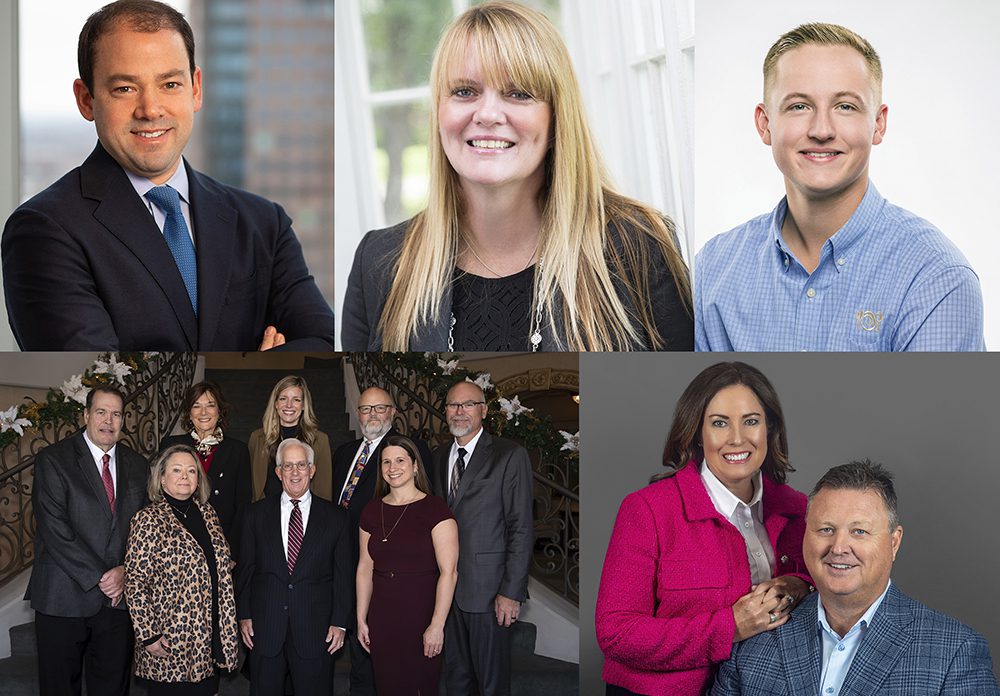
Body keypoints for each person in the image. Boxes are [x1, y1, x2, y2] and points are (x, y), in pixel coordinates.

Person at [342, 0, 692, 352]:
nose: (489, 114)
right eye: (465, 91)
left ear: (557, 118)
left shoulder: (638, 243)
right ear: (438, 112)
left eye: (519, 93)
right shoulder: (379, 262)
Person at [1, 0, 333, 351]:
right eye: (124, 88)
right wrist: (255, 370)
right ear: (86, 99)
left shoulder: (264, 223)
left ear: (196, 88)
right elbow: (95, 383)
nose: (151, 109)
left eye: (170, 84)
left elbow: (324, 343)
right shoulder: (44, 231)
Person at [695, 22, 985, 352]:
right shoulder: (713, 271)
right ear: (765, 124)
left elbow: (938, 406)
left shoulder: (936, 278)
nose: (821, 129)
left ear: (878, 123)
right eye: (799, 106)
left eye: (845, 106)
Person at [595, 362, 812, 695]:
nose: (737, 438)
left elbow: (823, 579)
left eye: (751, 421)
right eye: (719, 423)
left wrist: (797, 584)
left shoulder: (796, 507)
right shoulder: (648, 510)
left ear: (770, 428)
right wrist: (731, 628)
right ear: (697, 432)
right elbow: (617, 633)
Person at [712, 460, 1000, 695]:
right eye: (825, 529)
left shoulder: (954, 653)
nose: (838, 548)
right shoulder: (755, 642)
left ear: (894, 542)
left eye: (859, 532)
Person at [25, 385, 149, 696]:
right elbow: (54, 529)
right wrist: (100, 576)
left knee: (112, 688)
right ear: (85, 415)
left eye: (117, 414)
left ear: (124, 420)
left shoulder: (138, 464)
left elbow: (145, 529)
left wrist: (125, 570)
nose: (109, 420)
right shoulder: (53, 459)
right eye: (101, 412)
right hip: (62, 596)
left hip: (117, 601)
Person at [431, 380, 533, 695]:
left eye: (468, 404)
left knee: (492, 684)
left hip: (490, 594)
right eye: (452, 405)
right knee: (456, 681)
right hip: (446, 592)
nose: (459, 412)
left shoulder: (509, 455)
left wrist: (511, 592)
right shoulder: (437, 456)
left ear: (484, 410)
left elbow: (521, 526)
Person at [331, 386, 433, 694]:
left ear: (393, 412)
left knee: (381, 650)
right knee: (358, 637)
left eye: (379, 408)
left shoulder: (405, 451)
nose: (372, 415)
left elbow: (418, 507)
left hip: (385, 564)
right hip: (345, 560)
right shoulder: (345, 451)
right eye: (365, 409)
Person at [236, 438, 351, 695]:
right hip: (265, 629)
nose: (295, 472)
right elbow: (246, 570)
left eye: (301, 465)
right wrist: (243, 615)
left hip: (316, 629)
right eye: (288, 466)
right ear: (278, 472)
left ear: (312, 470)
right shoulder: (254, 515)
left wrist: (340, 622)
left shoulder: (337, 518)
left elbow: (343, 575)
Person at [125, 444, 239, 695]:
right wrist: (149, 635)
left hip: (208, 639)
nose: (185, 476)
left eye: (191, 470)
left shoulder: (208, 514)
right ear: (162, 478)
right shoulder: (148, 519)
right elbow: (134, 582)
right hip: (169, 640)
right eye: (176, 470)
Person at [356, 435, 459, 695]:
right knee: (387, 685)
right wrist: (361, 618)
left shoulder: (436, 509)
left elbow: (449, 573)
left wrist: (437, 626)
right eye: (386, 462)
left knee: (419, 686)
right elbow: (365, 567)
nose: (393, 468)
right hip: (382, 615)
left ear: (415, 466)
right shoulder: (370, 510)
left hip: (420, 613)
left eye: (401, 460)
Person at [159, 380, 251, 556]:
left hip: (221, 544)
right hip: (175, 543)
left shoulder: (237, 451)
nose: (203, 412)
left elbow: (243, 508)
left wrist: (232, 550)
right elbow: (157, 494)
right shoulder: (171, 445)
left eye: (210, 405)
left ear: (219, 411)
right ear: (189, 413)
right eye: (196, 406)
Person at [249, 375, 332, 502]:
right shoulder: (257, 438)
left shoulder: (320, 441)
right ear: (276, 404)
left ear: (304, 405)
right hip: (264, 514)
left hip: (304, 516)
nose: (289, 405)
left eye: (296, 400)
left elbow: (323, 490)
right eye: (283, 399)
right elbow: (251, 487)